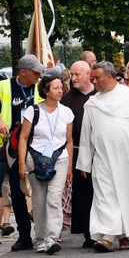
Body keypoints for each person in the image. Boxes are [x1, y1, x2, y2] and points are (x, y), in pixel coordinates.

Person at [76, 61, 129, 252]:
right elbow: (86, 136)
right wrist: (84, 163)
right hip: (102, 158)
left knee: (124, 196)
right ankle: (108, 238)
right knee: (105, 197)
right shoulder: (93, 103)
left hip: (127, 157)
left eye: (97, 78)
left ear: (110, 77)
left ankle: (123, 235)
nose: (94, 81)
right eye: (93, 78)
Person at [18, 76, 74, 254]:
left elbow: (69, 140)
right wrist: (21, 163)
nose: (60, 91)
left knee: (54, 197)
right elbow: (23, 138)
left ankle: (52, 238)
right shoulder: (32, 111)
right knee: (39, 200)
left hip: (60, 158)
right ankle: (40, 239)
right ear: (45, 90)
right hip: (35, 158)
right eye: (56, 88)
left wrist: (70, 166)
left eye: (61, 87)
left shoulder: (66, 112)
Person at [0, 54, 45, 251]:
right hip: (10, 146)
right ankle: (24, 236)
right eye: (35, 72)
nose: (39, 74)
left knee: (41, 191)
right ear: (23, 72)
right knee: (17, 193)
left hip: (37, 146)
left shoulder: (42, 87)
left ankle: (46, 235)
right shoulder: (3, 86)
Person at [60, 61, 97, 248]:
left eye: (77, 74)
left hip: (98, 152)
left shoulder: (99, 95)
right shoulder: (67, 99)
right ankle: (88, 233)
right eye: (71, 74)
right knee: (82, 193)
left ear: (88, 74)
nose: (73, 78)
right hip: (76, 151)